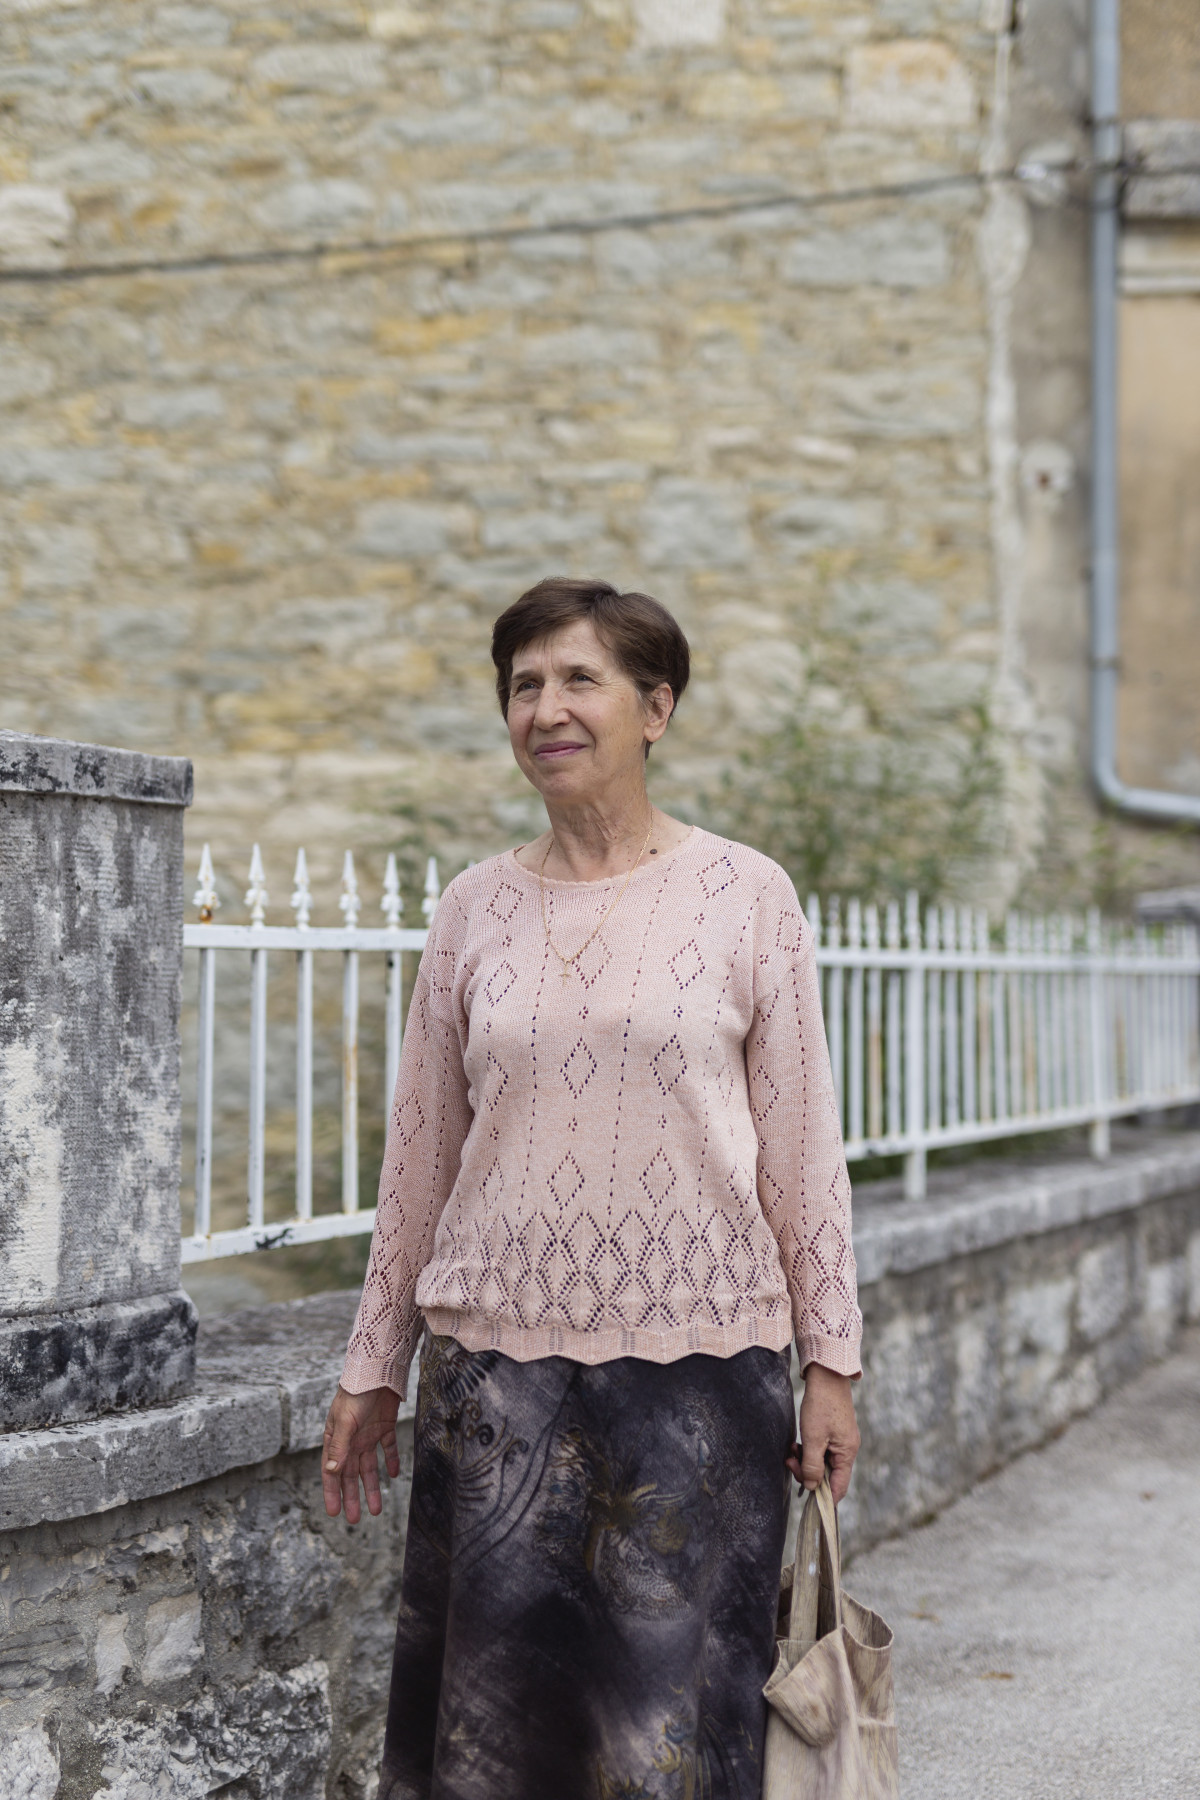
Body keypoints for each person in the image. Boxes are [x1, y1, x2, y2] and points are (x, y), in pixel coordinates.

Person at [322, 576, 862, 1800]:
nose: (546, 709)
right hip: (494, 1385)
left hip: (698, 1383)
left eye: (580, 680)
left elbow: (801, 1147)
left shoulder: (746, 896)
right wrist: (374, 1362)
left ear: (655, 708)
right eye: (524, 686)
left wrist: (831, 1360)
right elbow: (420, 1154)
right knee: (496, 1737)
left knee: (667, 1734)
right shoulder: (473, 908)